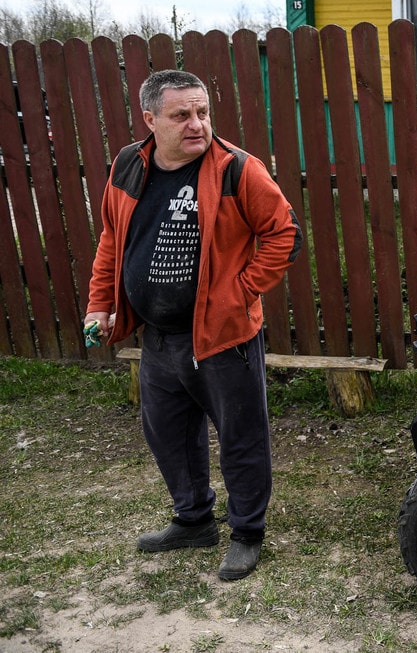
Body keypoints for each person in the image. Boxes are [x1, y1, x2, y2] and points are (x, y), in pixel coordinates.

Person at [84, 69, 301, 581]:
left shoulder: (237, 170)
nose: (196, 124)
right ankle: (193, 519)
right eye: (181, 115)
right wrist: (99, 304)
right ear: (150, 119)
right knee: (168, 435)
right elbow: (112, 240)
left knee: (240, 438)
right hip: (157, 337)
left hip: (224, 338)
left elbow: (283, 234)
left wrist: (237, 294)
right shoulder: (128, 168)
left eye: (202, 112)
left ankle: (247, 532)